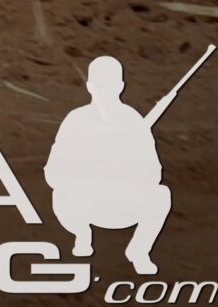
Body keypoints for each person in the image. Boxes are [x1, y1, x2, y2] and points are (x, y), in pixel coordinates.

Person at [45, 54, 175, 274]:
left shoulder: (134, 122)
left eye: (111, 83)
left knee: (161, 195)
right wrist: (90, 172)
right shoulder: (76, 120)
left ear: (121, 86)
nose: (106, 89)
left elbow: (154, 173)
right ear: (90, 86)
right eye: (100, 83)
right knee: (60, 195)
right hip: (84, 203)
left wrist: (126, 169)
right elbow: (53, 172)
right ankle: (82, 235)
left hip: (121, 203)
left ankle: (139, 251)